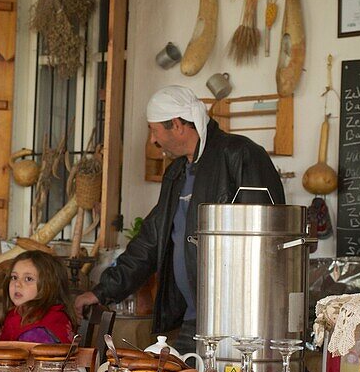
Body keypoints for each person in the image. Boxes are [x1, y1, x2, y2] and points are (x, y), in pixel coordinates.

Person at [74, 85, 285, 355]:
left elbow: (268, 238)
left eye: (154, 130)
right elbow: (151, 239)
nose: (153, 140)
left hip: (240, 324)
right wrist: (102, 291)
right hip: (192, 322)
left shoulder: (239, 154)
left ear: (176, 125)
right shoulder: (176, 172)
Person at [0, 251, 76, 344]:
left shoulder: (36, 333)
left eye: (28, 279)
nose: (17, 284)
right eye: (14, 277)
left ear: (49, 285)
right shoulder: (18, 313)